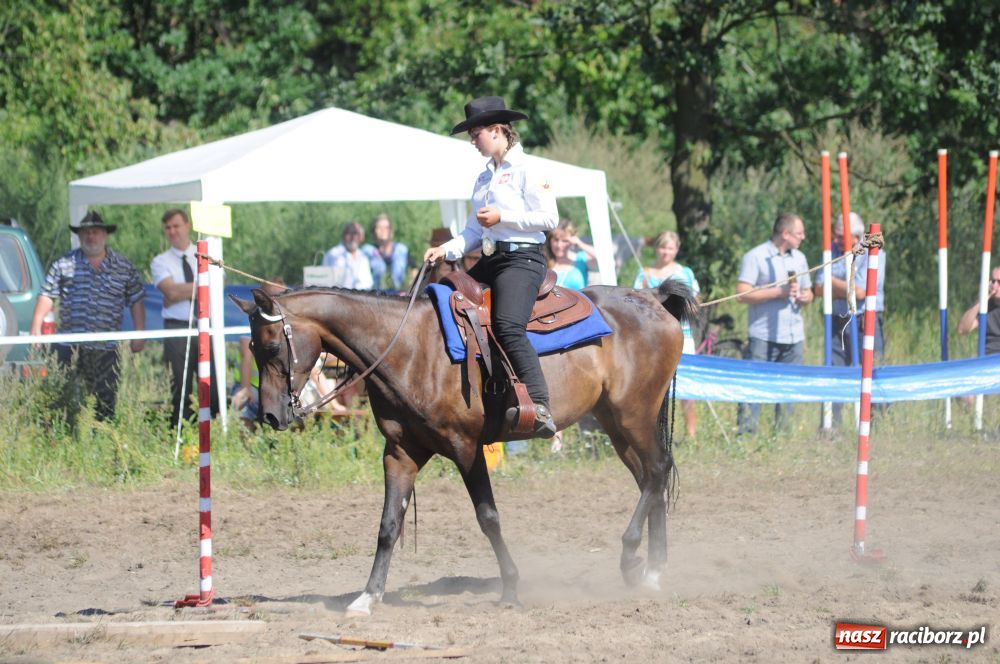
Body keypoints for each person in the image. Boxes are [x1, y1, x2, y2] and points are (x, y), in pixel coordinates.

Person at [424, 95, 559, 438]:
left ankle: (540, 405)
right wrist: (444, 249)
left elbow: (549, 218)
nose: (472, 140)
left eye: (476, 133)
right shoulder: (484, 178)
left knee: (507, 325)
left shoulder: (530, 169)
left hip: (523, 260)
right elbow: (472, 232)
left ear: (497, 130)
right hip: (491, 259)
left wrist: (503, 217)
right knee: (447, 303)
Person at [29, 211, 145, 421]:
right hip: (69, 346)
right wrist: (35, 328)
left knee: (105, 403)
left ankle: (105, 437)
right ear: (80, 236)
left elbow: (136, 299)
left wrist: (139, 333)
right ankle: (64, 436)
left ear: (105, 235)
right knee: (62, 399)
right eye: (86, 233)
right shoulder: (64, 263)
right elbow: (47, 295)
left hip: (107, 347)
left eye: (95, 232)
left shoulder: (123, 266)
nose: (91, 236)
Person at [735, 213, 813, 435]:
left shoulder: (800, 258)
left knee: (789, 387)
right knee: (753, 385)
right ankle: (747, 434)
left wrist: (806, 297)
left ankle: (783, 435)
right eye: (799, 233)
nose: (803, 237)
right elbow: (741, 294)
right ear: (785, 234)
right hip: (763, 335)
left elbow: (808, 291)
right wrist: (779, 292)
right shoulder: (756, 256)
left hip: (793, 336)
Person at [814, 212, 886, 423]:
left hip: (865, 322)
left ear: (856, 237)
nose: (836, 240)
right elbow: (818, 288)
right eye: (835, 235)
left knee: (873, 373)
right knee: (834, 373)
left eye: (840, 236)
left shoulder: (872, 250)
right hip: (838, 321)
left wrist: (831, 282)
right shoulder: (831, 250)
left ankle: (878, 425)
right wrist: (843, 287)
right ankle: (830, 426)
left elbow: (860, 291)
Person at [150, 208, 219, 424]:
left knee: (213, 385)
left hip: (206, 325)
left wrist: (178, 292)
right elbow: (170, 292)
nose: (172, 231)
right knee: (180, 386)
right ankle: (181, 431)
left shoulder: (206, 255)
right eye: (168, 228)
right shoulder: (160, 261)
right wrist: (202, 286)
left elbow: (217, 285)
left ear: (187, 226)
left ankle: (215, 429)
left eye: (176, 226)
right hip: (177, 328)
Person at [633, 230, 701, 437]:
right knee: (653, 386)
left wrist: (687, 307)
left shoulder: (685, 273)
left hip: (682, 335)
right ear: (657, 249)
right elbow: (635, 304)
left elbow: (695, 304)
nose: (666, 252)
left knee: (687, 386)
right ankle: (653, 432)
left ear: (676, 249)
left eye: (670, 248)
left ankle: (691, 433)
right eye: (663, 247)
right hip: (652, 339)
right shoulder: (645, 274)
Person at [361, 213, 411, 291]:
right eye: (379, 227)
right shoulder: (367, 251)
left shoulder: (401, 250)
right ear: (373, 231)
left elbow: (414, 269)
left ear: (391, 231)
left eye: (386, 227)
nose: (383, 230)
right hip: (374, 295)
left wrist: (409, 287)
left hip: (399, 295)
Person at [957, 265, 1000, 352]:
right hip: (988, 355)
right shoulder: (985, 307)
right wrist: (981, 299)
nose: (995, 285)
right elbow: (962, 330)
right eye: (993, 281)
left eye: (999, 282)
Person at [545, 219, 596, 289]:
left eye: (565, 241)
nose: (559, 245)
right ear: (550, 240)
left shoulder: (580, 259)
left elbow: (603, 259)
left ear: (572, 240)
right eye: (556, 240)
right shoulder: (544, 262)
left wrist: (580, 243)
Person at [323, 222, 374, 290]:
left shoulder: (363, 257)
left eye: (355, 233)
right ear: (343, 236)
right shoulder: (333, 255)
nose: (352, 237)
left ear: (361, 237)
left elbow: (368, 283)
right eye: (349, 233)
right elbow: (326, 284)